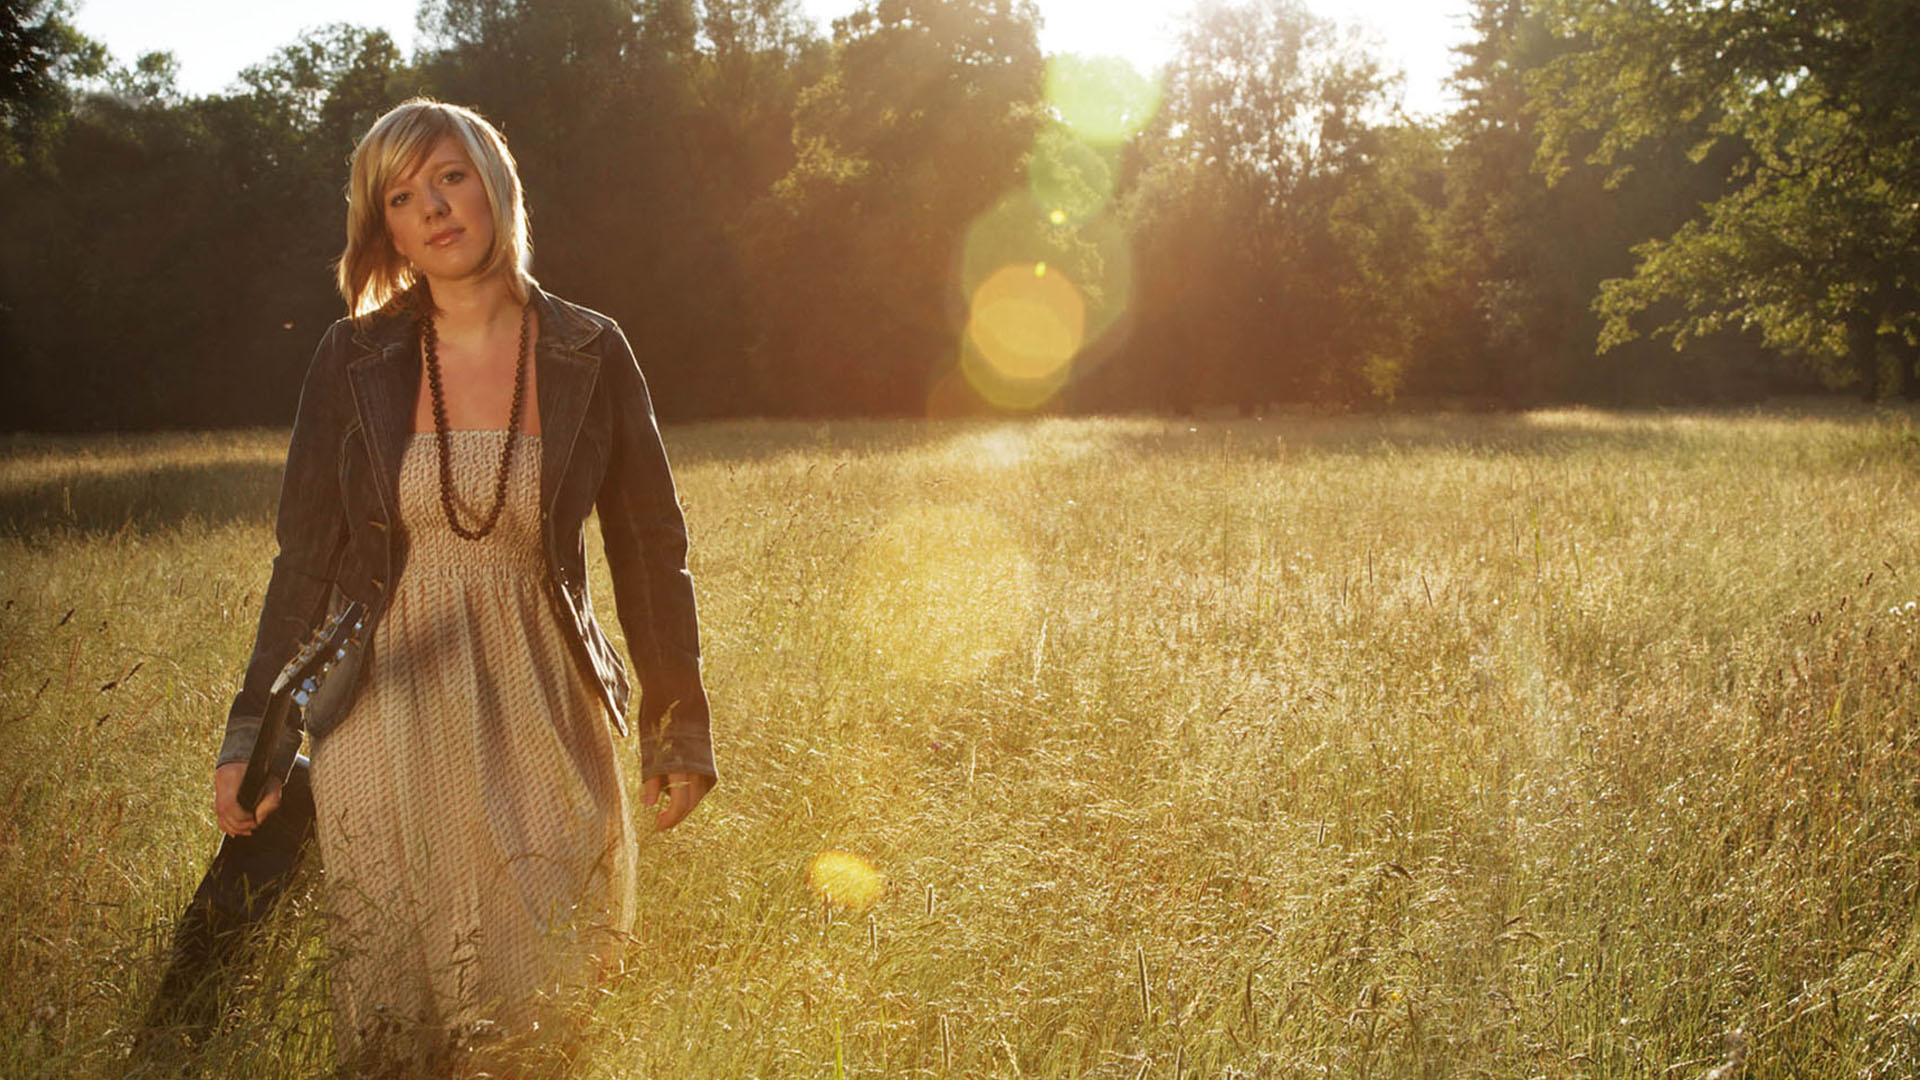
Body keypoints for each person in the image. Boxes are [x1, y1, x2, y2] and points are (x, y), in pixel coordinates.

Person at [209, 98, 717, 1075]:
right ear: (384, 228)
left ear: (495, 181)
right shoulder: (350, 358)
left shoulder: (590, 350)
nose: (434, 207)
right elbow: (304, 558)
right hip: (384, 723)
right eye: (403, 195)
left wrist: (676, 723)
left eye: (449, 176)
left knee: (537, 1018)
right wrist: (252, 736)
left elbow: (652, 546)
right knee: (397, 1030)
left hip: (542, 703)